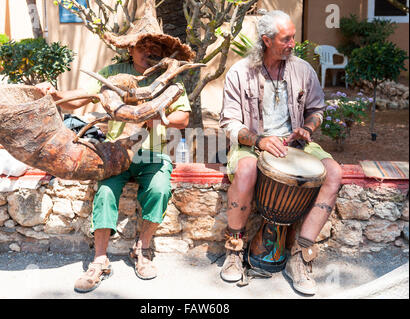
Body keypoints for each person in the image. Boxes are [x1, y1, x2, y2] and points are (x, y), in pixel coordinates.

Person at [37, 38, 192, 293]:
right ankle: (100, 259)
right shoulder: (112, 74)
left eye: (154, 47)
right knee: (106, 192)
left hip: (153, 153)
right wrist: (56, 95)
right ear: (130, 49)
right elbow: (79, 100)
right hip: (116, 152)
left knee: (160, 190)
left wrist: (156, 116)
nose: (149, 51)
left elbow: (183, 117)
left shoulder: (168, 78)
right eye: (142, 46)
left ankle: (142, 249)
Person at [219, 10, 342, 295]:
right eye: (286, 39)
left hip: (296, 144)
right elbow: (229, 122)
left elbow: (317, 110)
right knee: (247, 168)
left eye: (293, 38)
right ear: (266, 40)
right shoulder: (240, 72)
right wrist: (259, 141)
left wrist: (308, 128)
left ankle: (300, 255)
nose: (292, 44)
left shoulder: (302, 69)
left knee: (334, 172)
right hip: (252, 144)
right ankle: (235, 249)